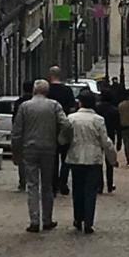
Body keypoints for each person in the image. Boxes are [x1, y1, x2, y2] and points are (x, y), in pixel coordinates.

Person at [12, 78, 70, 232]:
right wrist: (61, 139)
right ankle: (47, 219)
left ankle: (34, 220)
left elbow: (17, 132)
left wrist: (16, 151)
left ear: (33, 91)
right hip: (49, 148)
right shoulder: (54, 106)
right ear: (47, 91)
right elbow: (66, 124)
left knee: (32, 185)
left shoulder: (25, 107)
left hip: (29, 149)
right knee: (47, 185)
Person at [66, 91, 117, 233]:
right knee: (90, 192)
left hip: (76, 158)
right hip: (93, 160)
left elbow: (64, 138)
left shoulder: (71, 118)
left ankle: (78, 218)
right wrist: (112, 158)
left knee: (77, 190)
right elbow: (105, 141)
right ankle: (88, 221)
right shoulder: (98, 120)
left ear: (80, 103)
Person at [47, 66, 76, 195]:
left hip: (50, 128)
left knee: (52, 158)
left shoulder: (47, 91)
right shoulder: (67, 90)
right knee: (66, 158)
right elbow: (72, 108)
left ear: (50, 75)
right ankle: (63, 183)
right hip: (64, 127)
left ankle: (53, 185)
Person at [95, 89, 121, 192]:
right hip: (110, 137)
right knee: (110, 161)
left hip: (97, 137)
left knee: (98, 162)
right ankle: (110, 184)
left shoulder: (97, 109)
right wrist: (119, 140)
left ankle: (99, 185)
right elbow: (118, 127)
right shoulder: (114, 110)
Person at [12, 80, 34, 192]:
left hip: (23, 135)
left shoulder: (19, 103)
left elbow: (15, 120)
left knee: (22, 161)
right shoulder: (35, 103)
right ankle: (33, 182)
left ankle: (22, 182)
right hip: (34, 134)